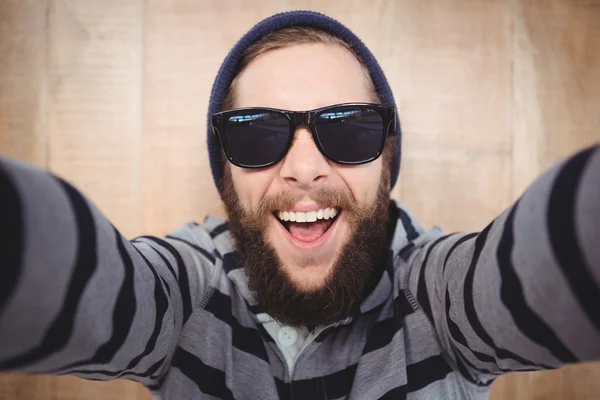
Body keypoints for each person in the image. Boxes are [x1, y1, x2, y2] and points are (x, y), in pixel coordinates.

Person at [0, 10, 598, 400]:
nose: (304, 168)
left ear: (387, 159)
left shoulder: (439, 293)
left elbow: (537, 273)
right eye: (258, 133)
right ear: (225, 170)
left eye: (349, 129)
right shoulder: (187, 288)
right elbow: (97, 288)